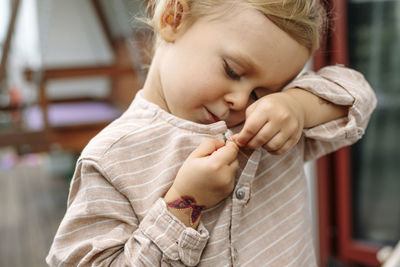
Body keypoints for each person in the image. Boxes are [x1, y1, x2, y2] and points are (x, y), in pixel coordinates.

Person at [47, 0, 376, 266]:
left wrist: (298, 105)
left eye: (263, 92)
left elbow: (359, 96)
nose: (241, 101)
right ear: (174, 17)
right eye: (233, 71)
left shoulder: (268, 125)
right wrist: (185, 203)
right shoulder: (111, 158)